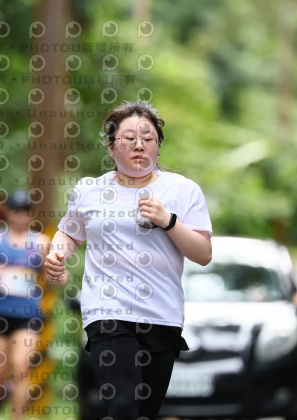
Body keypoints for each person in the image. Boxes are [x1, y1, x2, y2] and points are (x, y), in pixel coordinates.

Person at [44, 100, 212, 420]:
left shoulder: (182, 190)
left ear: (158, 146)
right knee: (122, 407)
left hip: (161, 314)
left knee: (144, 413)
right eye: (129, 138)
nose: (139, 145)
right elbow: (69, 233)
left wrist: (168, 221)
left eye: (148, 139)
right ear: (111, 146)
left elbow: (203, 254)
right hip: (107, 311)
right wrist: (57, 253)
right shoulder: (90, 190)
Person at [0, 189, 51, 419]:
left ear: (32, 214)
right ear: (8, 212)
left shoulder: (41, 243)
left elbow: (52, 276)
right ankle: (1, 392)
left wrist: (59, 275)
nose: (20, 216)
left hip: (27, 315)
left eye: (25, 211)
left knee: (20, 366)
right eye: (16, 211)